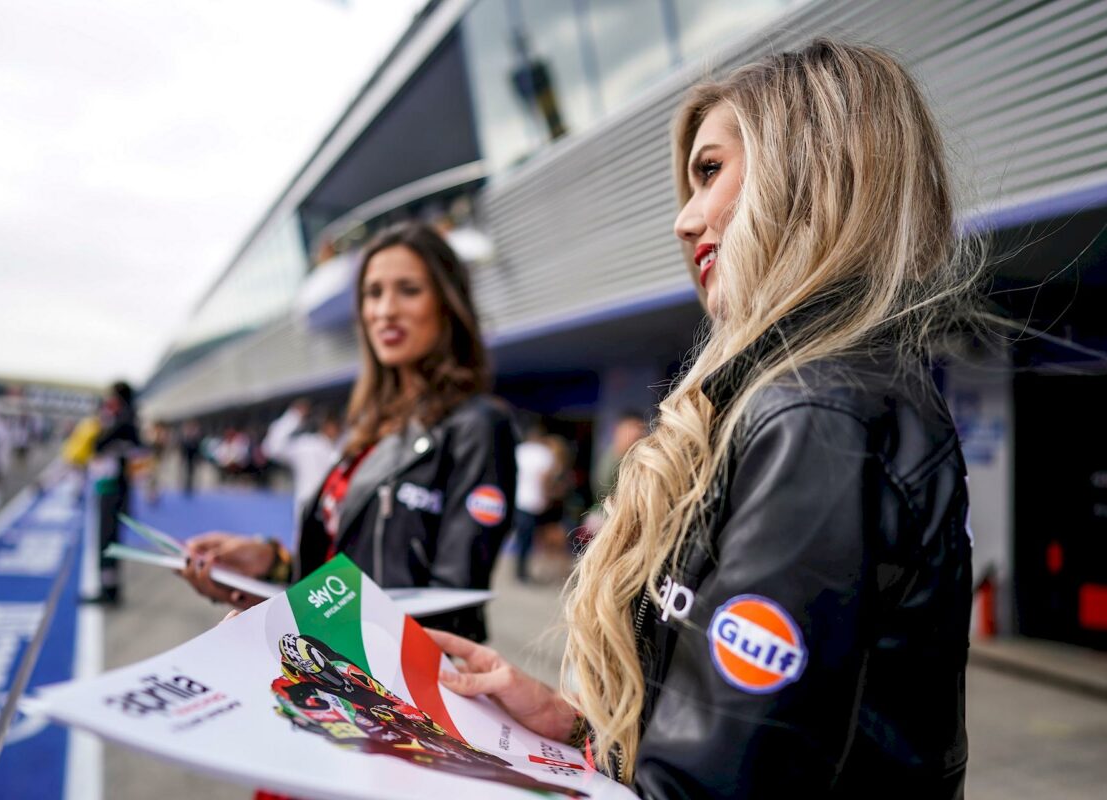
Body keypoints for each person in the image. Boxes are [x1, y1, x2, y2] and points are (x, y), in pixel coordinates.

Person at [431, 39, 976, 798]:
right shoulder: (784, 399)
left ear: (812, 168)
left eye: (712, 171)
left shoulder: (816, 413)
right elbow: (728, 740)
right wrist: (575, 728)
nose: (685, 220)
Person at [182, 221, 517, 642]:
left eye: (408, 290)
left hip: (392, 691)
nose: (385, 309)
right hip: (335, 664)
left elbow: (450, 610)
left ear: (447, 304)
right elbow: (341, 567)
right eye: (373, 293)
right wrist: (272, 566)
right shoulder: (368, 426)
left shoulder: (478, 426)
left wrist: (296, 623)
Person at [88, 381, 140, 604]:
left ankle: (109, 590)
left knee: (107, 538)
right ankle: (110, 587)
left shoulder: (121, 420)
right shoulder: (130, 419)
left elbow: (98, 444)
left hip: (112, 488)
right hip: (118, 487)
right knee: (111, 538)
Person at [261, 400, 345, 521]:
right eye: (332, 424)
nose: (336, 429)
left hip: (335, 512)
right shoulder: (308, 446)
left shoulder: (343, 447)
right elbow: (272, 447)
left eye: (338, 424)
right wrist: (293, 416)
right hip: (309, 510)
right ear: (324, 424)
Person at [512, 422, 554, 582]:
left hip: (519, 500)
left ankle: (519, 569)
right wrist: (546, 496)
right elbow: (545, 478)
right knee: (530, 539)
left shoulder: (519, 451)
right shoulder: (544, 453)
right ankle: (522, 571)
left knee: (521, 537)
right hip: (535, 501)